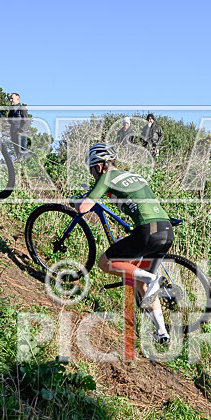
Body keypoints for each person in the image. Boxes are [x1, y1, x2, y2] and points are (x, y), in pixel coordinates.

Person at [74, 143, 173, 344]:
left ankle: (152, 278)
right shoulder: (134, 176)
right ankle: (162, 332)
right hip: (165, 229)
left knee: (105, 262)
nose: (92, 174)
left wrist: (75, 201)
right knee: (141, 282)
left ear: (99, 166)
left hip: (147, 230)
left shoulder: (106, 177)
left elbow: (83, 208)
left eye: (92, 169)